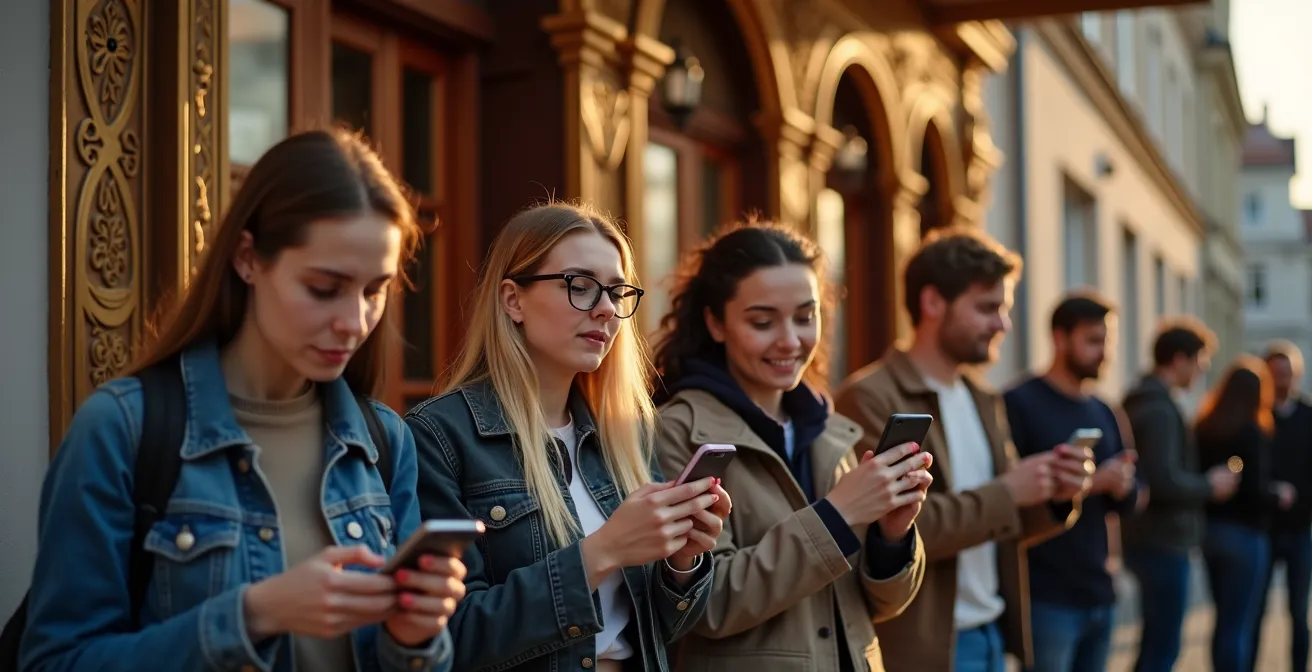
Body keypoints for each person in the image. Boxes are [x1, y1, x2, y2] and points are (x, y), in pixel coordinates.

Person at [19, 129, 462, 672]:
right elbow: (54, 661)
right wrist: (254, 615)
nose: (355, 323)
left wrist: (415, 640)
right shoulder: (122, 429)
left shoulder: (385, 442)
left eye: (375, 290)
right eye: (324, 288)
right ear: (249, 258)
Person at [406, 202, 726, 672]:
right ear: (512, 300)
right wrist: (604, 551)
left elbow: (657, 631)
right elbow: (452, 638)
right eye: (580, 286)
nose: (605, 310)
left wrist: (682, 563)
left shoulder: (626, 434)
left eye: (617, 293)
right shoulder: (439, 436)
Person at [649, 223, 929, 671]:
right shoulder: (676, 431)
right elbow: (707, 604)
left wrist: (890, 535)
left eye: (805, 316)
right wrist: (838, 516)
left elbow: (879, 607)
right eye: (762, 322)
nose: (790, 340)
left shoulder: (833, 429)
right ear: (715, 323)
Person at [835, 227, 1094, 672]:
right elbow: (897, 530)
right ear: (933, 303)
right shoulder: (870, 396)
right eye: (988, 308)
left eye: (1005, 309)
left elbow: (1000, 523)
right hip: (928, 648)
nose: (1003, 325)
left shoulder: (984, 398)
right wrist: (1010, 491)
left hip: (994, 633)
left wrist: (1055, 494)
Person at [1002, 293, 1140, 672]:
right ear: (1060, 339)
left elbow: (1129, 502)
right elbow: (1007, 494)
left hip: (1099, 591)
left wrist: (1124, 485)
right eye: (1093, 340)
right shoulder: (1018, 403)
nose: (1105, 352)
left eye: (1107, 340)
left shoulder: (1106, 410)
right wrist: (1091, 482)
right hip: (1045, 595)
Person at [1119, 318, 1238, 672]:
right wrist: (1210, 485)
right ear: (1179, 359)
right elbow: (1163, 480)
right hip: (1162, 541)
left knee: (1157, 643)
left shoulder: (1150, 400)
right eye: (1200, 360)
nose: (1203, 369)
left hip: (1153, 539)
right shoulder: (1157, 408)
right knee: (1162, 647)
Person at [1194, 356, 1291, 672]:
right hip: (1246, 535)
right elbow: (1255, 490)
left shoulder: (1206, 426)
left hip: (1212, 533)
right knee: (1238, 625)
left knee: (1222, 619)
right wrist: (1279, 494)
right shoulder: (1252, 430)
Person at [1251, 341, 1312, 671]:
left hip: (1301, 530)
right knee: (1256, 610)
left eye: (1287, 374)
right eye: (1275, 374)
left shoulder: (1308, 415)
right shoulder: (1257, 418)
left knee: (1298, 612)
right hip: (1264, 528)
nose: (1282, 380)